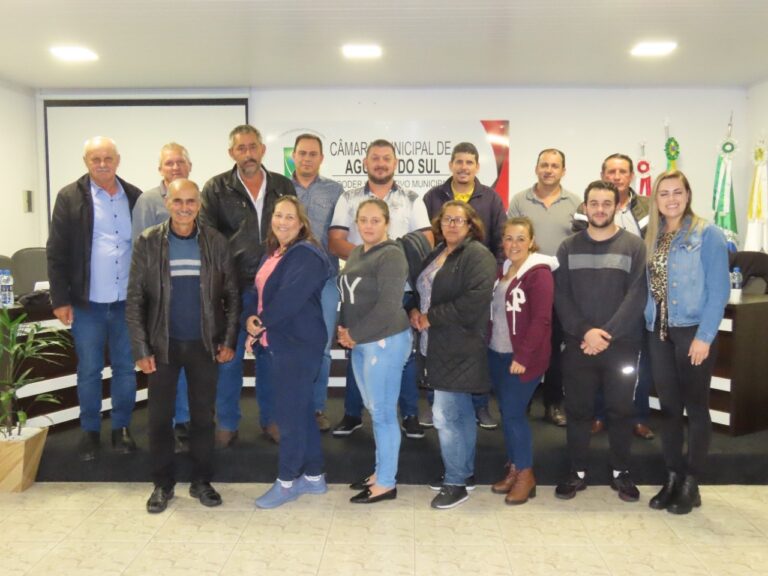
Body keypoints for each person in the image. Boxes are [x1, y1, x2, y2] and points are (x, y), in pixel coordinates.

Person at [126, 179, 239, 513]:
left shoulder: (216, 242)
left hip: (205, 344)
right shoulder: (148, 243)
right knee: (159, 419)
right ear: (167, 202)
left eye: (191, 201)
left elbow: (232, 295)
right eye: (178, 201)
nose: (185, 207)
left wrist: (229, 340)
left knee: (203, 419)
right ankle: (162, 484)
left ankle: (202, 481)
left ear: (200, 204)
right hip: (162, 347)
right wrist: (141, 349)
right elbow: (134, 301)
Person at [328, 139, 432, 440]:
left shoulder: (413, 199)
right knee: (357, 347)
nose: (381, 163)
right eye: (375, 158)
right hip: (359, 288)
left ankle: (410, 414)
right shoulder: (348, 198)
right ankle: (352, 413)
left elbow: (425, 240)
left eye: (386, 158)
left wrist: (387, 260)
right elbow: (336, 240)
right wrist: (370, 260)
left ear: (395, 163)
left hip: (403, 286)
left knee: (404, 353)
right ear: (365, 162)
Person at [47, 136, 142, 462]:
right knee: (88, 369)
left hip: (126, 302)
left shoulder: (134, 196)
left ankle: (122, 429)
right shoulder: (70, 197)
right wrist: (59, 298)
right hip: (87, 303)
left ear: (118, 159)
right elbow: (56, 251)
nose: (102, 164)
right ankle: (90, 432)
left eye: (108, 158)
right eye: (95, 159)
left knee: (125, 370)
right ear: (86, 162)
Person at [200, 124, 296, 447]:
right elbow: (208, 240)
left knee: (271, 357)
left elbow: (294, 231)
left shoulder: (283, 185)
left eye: (253, 147)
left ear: (262, 150)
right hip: (233, 288)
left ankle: (271, 421)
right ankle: (227, 423)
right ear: (232, 153)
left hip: (274, 287)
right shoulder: (215, 189)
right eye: (241, 149)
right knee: (229, 357)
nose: (248, 154)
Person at [554, 180, 647, 502]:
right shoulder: (568, 247)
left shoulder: (634, 246)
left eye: (607, 203)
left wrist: (605, 334)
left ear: (617, 206)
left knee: (621, 410)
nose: (600, 209)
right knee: (578, 411)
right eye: (594, 203)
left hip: (620, 345)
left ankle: (621, 473)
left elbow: (637, 297)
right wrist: (586, 332)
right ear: (585, 207)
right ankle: (577, 472)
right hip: (579, 345)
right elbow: (561, 296)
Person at [644, 170, 729, 515]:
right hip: (659, 333)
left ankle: (692, 482)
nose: (671, 199)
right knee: (668, 410)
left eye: (677, 192)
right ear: (656, 200)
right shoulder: (653, 234)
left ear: (688, 194)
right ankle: (673, 477)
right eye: (664, 194)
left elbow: (719, 290)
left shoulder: (707, 234)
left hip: (692, 331)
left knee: (695, 409)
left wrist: (705, 337)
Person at [243, 196, 331, 508]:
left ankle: (288, 480)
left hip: (298, 344)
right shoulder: (276, 252)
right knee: (302, 412)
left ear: (302, 222)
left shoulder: (305, 254)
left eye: (289, 217)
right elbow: (257, 290)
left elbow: (289, 299)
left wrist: (259, 324)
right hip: (279, 339)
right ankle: (314, 476)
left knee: (290, 416)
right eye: (278, 215)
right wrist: (250, 317)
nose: (282, 221)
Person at [411, 201, 496, 509]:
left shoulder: (477, 255)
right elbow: (420, 289)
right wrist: (414, 312)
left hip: (460, 346)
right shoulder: (438, 253)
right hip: (435, 344)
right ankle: (463, 473)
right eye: (447, 219)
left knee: (445, 416)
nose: (452, 224)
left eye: (460, 220)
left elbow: (476, 299)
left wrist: (432, 316)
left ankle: (455, 482)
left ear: (471, 225)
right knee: (459, 414)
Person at [422, 141, 506, 430]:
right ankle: (435, 403)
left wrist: (491, 276)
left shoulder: (491, 198)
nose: (463, 167)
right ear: (451, 165)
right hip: (441, 278)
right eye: (458, 161)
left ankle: (480, 406)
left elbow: (499, 240)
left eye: (469, 162)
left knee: (474, 345)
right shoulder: (433, 196)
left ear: (477, 167)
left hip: (476, 279)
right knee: (436, 344)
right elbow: (428, 239)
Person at [575, 153, 655, 440]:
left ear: (631, 176)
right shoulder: (586, 207)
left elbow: (654, 243)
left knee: (636, 364)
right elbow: (581, 243)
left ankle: (639, 416)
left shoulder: (646, 206)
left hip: (636, 294)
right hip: (597, 293)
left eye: (623, 171)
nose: (616, 176)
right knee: (598, 360)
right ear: (603, 173)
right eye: (611, 171)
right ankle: (599, 415)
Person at [338, 198, 412, 504]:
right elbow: (350, 297)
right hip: (361, 342)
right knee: (375, 410)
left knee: (382, 413)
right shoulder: (357, 251)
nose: (368, 226)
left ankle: (386, 482)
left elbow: (387, 307)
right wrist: (346, 331)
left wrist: (353, 333)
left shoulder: (392, 256)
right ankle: (380, 471)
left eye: (374, 220)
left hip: (385, 341)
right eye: (363, 220)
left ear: (386, 223)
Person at [508, 148, 579, 428]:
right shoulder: (519, 201)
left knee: (554, 350)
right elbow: (510, 242)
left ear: (563, 170)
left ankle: (553, 404)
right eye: (544, 165)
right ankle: (521, 402)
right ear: (536, 168)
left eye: (554, 166)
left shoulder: (575, 202)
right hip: (525, 287)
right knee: (523, 344)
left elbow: (581, 245)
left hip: (561, 287)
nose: (549, 170)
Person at [489, 217, 556, 505]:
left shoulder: (539, 273)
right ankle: (515, 466)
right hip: (497, 353)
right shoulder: (504, 270)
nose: (513, 244)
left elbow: (541, 320)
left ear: (531, 241)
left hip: (521, 358)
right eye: (508, 238)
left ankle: (527, 475)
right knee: (507, 413)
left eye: (519, 238)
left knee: (515, 414)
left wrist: (523, 356)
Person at [131, 142, 194, 452]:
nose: (175, 167)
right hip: (158, 300)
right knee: (162, 367)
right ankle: (164, 426)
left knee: (182, 365)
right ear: (160, 169)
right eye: (169, 163)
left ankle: (182, 421)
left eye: (180, 162)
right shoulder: (147, 201)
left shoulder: (197, 197)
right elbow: (139, 249)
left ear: (189, 166)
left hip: (188, 299)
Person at [290, 134, 343, 433]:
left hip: (325, 280)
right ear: (293, 156)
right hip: (290, 281)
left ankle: (317, 408)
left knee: (322, 347)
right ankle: (294, 408)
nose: (307, 158)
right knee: (291, 345)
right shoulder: (281, 188)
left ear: (322, 158)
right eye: (302, 153)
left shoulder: (335, 191)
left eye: (313, 154)